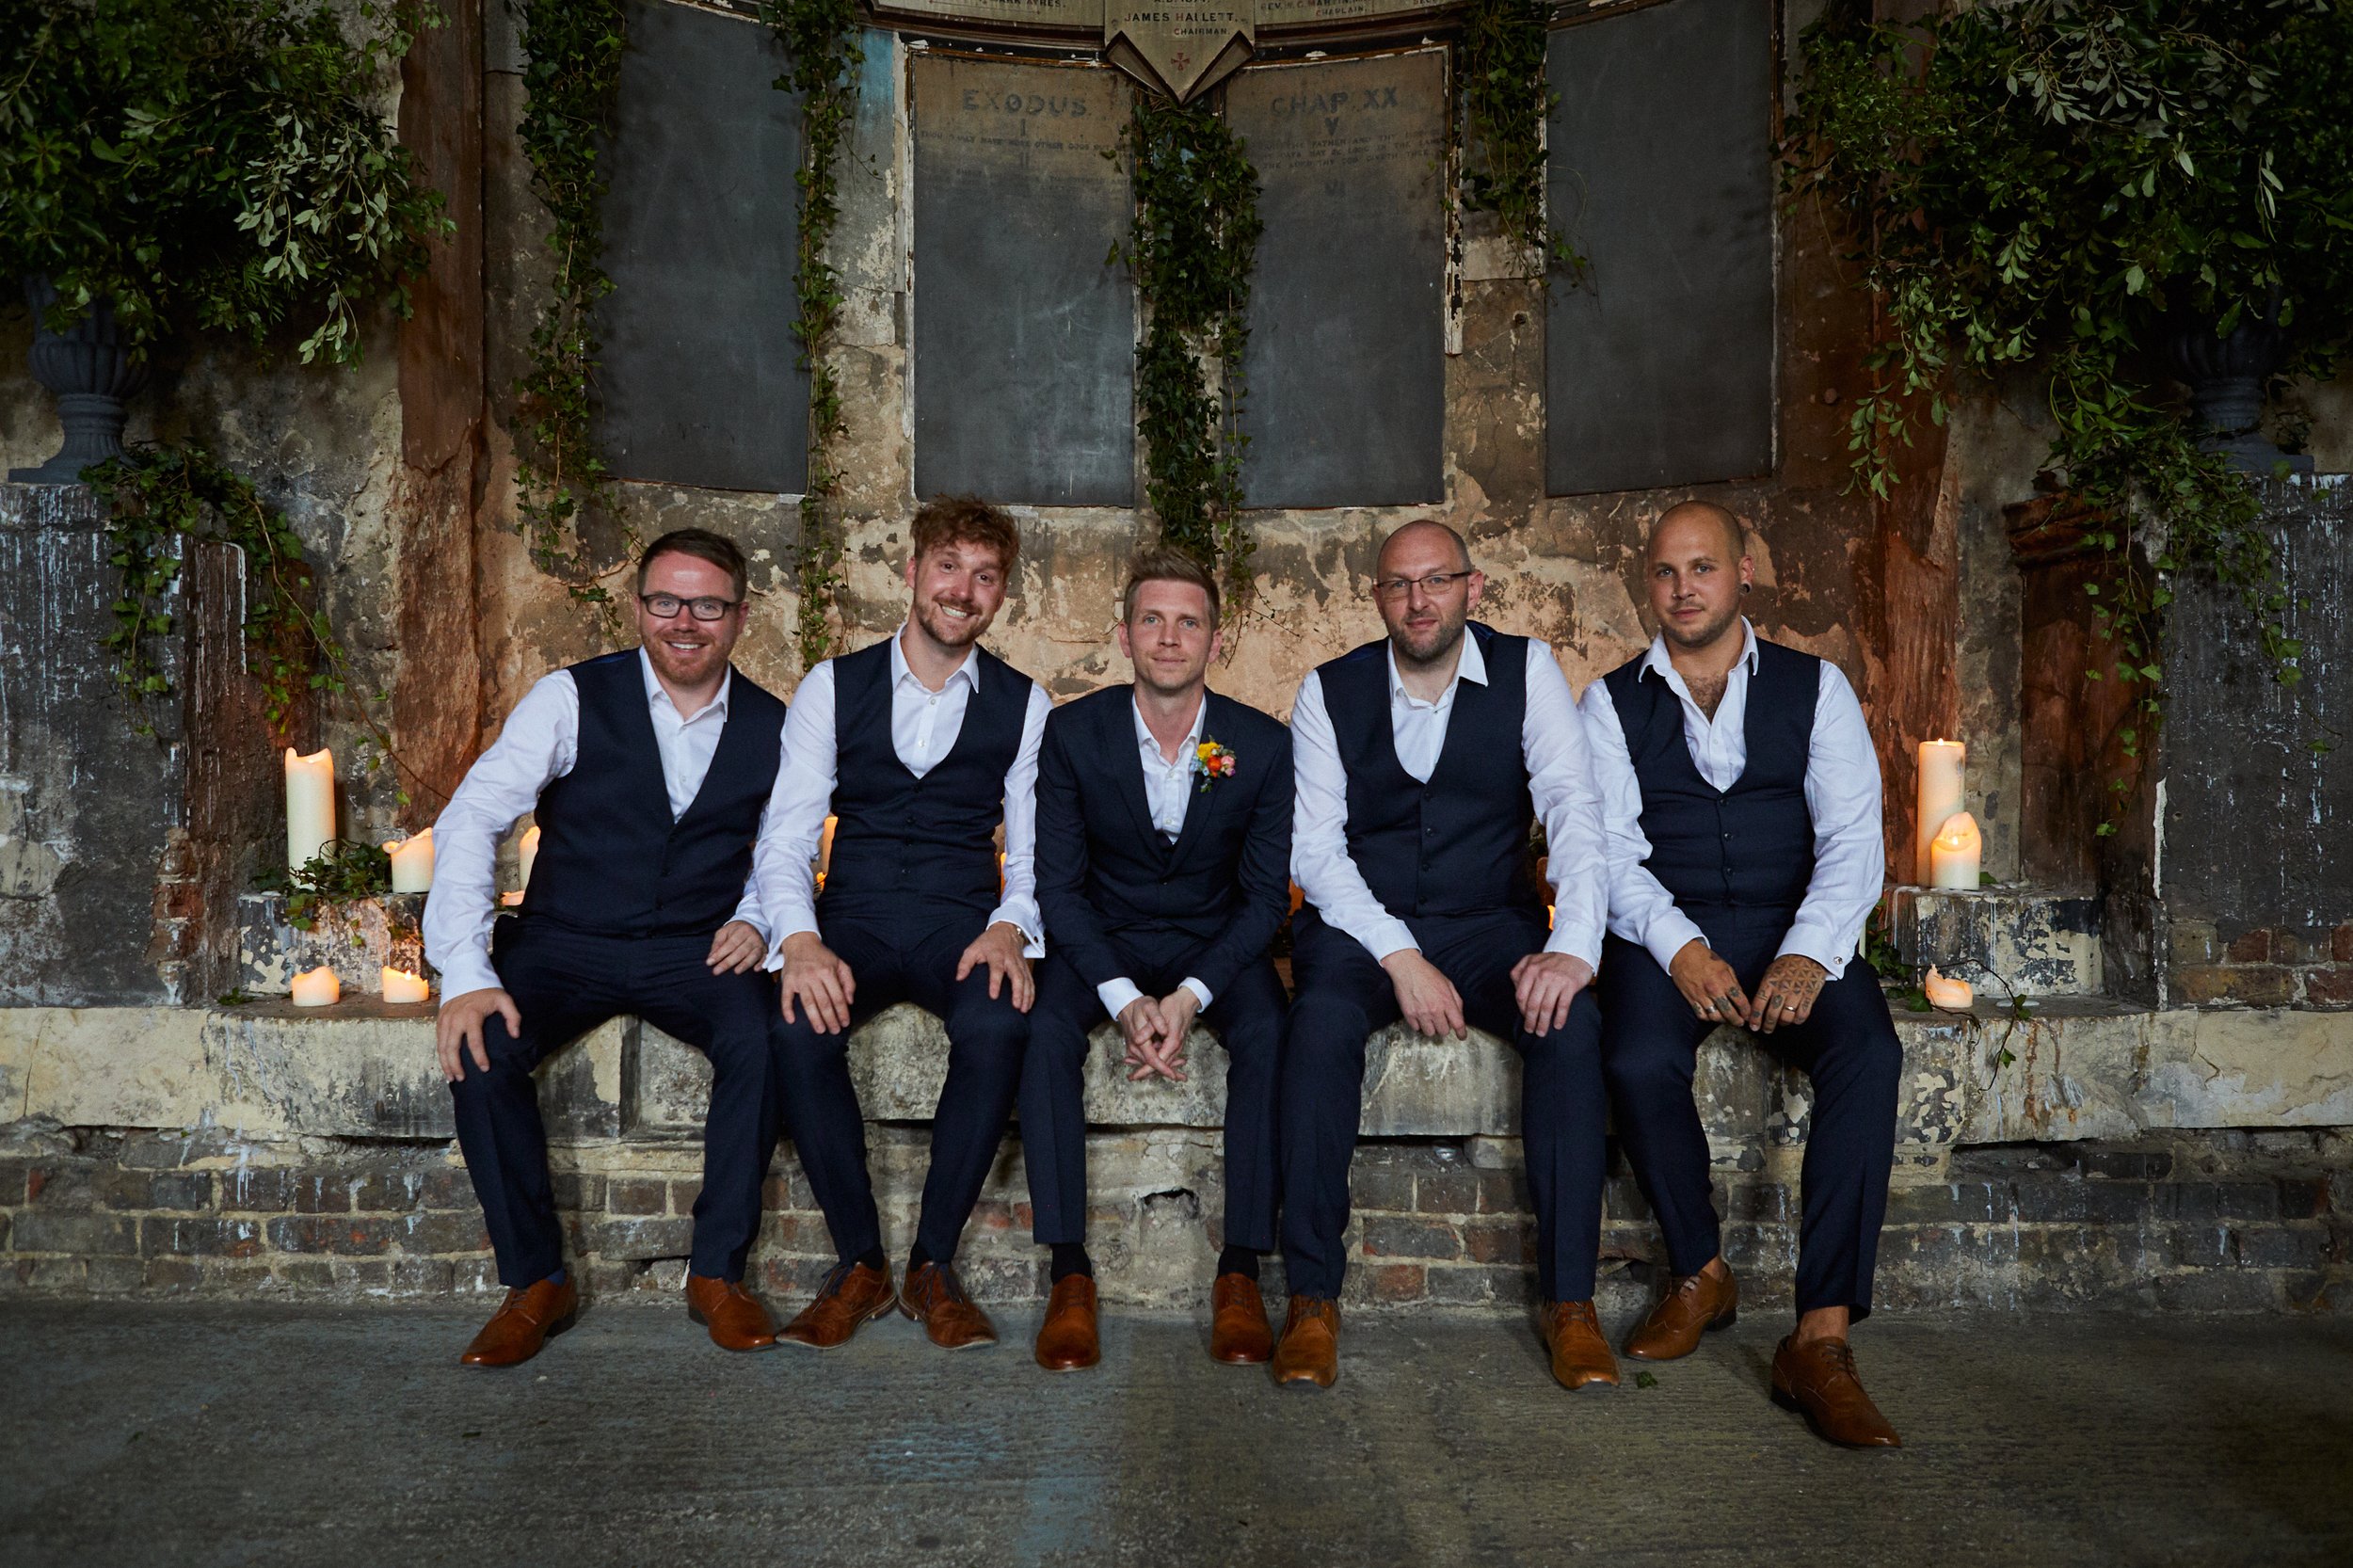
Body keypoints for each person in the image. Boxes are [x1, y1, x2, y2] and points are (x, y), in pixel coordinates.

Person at [1581, 499, 1904, 1448]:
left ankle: (1819, 1339)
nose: (1682, 589)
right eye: (1665, 573)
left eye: (1702, 569)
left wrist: (1807, 949)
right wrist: (1677, 946)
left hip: (1789, 920)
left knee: (1867, 1056)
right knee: (1635, 1058)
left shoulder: (1817, 688)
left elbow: (1852, 837)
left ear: (1743, 574)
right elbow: (1606, 850)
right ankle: (1700, 1268)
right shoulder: (1608, 702)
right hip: (1662, 925)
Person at [425, 528, 789, 1366]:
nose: (684, 621)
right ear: (638, 609)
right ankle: (537, 1281)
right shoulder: (570, 698)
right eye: (665, 601)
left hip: (695, 950)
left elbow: (782, 849)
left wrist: (757, 918)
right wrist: (468, 973)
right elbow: (475, 818)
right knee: (480, 1049)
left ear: (740, 616)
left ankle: (715, 1275)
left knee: (766, 1038)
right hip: (564, 940)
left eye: (708, 604)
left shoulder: (777, 723)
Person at [1274, 519, 1614, 1391]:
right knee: (1313, 1028)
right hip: (1362, 925)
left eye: (1437, 581)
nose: (1418, 600)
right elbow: (1315, 852)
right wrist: (1398, 953)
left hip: (1487, 920)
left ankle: (1571, 1304)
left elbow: (1574, 807)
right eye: (1398, 584)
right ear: (1378, 596)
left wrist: (1574, 946)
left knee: (1570, 1027)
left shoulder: (1529, 671)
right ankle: (1313, 1299)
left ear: (1474, 586)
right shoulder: (1329, 690)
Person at [754, 496, 1051, 1352]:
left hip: (960, 922)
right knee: (793, 1026)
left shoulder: (1025, 705)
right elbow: (785, 837)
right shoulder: (831, 685)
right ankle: (860, 1264)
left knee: (999, 1023)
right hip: (848, 915)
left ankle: (931, 1266)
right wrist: (800, 939)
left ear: (1001, 597)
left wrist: (1009, 927)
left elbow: (1031, 857)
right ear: (914, 573)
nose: (963, 590)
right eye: (949, 567)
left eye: (985, 576)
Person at [1020, 548, 1294, 1372]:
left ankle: (1240, 1270)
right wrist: (1118, 995)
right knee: (1039, 1035)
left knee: (1275, 1032)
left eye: (1189, 622)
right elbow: (1056, 887)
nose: (1169, 637)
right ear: (1124, 635)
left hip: (1218, 943)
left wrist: (1189, 996)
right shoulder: (1073, 733)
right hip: (1100, 938)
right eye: (1152, 619)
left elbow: (1263, 898)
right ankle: (1069, 1273)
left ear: (1216, 640)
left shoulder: (1263, 744)